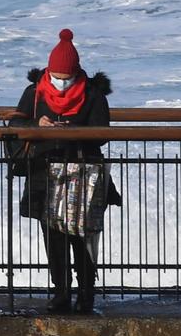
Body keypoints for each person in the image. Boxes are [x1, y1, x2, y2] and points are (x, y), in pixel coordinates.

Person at [9, 28, 119, 314]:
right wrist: (38, 127)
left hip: (83, 174)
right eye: (56, 78)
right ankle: (60, 292)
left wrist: (74, 132)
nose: (60, 83)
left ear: (75, 73)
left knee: (82, 236)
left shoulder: (93, 93)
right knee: (53, 236)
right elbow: (15, 129)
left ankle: (86, 293)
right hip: (44, 175)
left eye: (65, 78)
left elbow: (102, 133)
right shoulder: (34, 92)